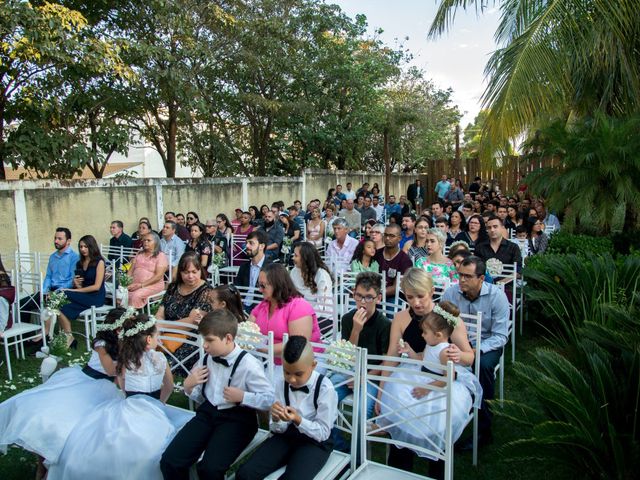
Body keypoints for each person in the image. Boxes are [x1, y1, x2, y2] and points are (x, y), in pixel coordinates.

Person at [48, 313, 192, 480]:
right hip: (154, 408)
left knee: (110, 440)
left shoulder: (125, 360)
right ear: (148, 340)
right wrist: (160, 404)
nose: (158, 338)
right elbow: (169, 386)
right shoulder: (161, 359)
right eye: (156, 335)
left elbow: (123, 389)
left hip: (130, 407)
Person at [0, 308, 124, 475]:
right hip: (90, 381)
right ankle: (43, 461)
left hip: (106, 385)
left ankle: (51, 465)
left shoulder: (123, 341)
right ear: (118, 328)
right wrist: (130, 357)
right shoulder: (101, 344)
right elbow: (111, 371)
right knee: (58, 416)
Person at [375, 268, 476, 471]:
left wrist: (459, 356)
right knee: (400, 413)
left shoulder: (446, 317)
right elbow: (391, 356)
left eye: (420, 296)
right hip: (412, 371)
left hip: (442, 376)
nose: (416, 303)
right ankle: (399, 472)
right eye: (410, 297)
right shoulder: (401, 318)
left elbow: (469, 356)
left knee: (437, 423)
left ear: (431, 291)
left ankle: (437, 469)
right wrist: (381, 390)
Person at [160, 310, 274, 480]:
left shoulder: (249, 365)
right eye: (203, 339)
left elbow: (269, 399)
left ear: (228, 338)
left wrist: (243, 397)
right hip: (208, 413)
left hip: (238, 419)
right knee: (170, 460)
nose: (204, 345)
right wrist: (189, 386)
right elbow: (202, 396)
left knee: (209, 469)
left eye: (209, 340)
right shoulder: (206, 358)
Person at [235, 336, 338, 480]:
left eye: (298, 374)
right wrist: (277, 419)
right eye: (287, 372)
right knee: (246, 473)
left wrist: (298, 420)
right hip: (286, 436)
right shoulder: (281, 383)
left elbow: (323, 432)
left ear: (313, 365)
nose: (292, 379)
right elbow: (277, 429)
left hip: (315, 442)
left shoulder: (325, 388)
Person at [441, 256, 510, 449]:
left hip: (487, 344)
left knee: (483, 366)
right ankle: (446, 415)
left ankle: (483, 427)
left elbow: (500, 335)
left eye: (467, 276)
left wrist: (474, 350)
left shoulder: (497, 297)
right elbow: (440, 323)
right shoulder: (450, 293)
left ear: (481, 278)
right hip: (456, 340)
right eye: (460, 275)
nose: (461, 280)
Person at [331, 272, 389, 450]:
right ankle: (339, 447)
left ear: (378, 298)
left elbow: (386, 362)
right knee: (324, 396)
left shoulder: (384, 324)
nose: (363, 302)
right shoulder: (348, 319)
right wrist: (356, 330)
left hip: (372, 376)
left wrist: (363, 377)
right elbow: (347, 355)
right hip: (348, 371)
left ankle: (357, 455)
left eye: (368, 297)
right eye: (359, 296)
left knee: (360, 412)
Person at [248, 263, 321, 364]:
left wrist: (262, 348)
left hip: (300, 365)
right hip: (268, 360)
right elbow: (247, 329)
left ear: (277, 284)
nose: (260, 289)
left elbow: (298, 345)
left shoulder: (299, 307)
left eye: (263, 286)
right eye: (258, 285)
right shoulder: (264, 305)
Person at [155, 252, 215, 373]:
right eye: (186, 272)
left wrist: (162, 326)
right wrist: (158, 330)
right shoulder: (173, 287)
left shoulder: (206, 291)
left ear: (200, 271)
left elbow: (191, 322)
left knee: (166, 365)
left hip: (191, 337)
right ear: (180, 272)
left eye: (194, 272)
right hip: (165, 332)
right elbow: (160, 312)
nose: (190, 276)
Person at [21, 227, 79, 323]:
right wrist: (44, 291)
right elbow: (48, 276)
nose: (56, 241)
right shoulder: (53, 257)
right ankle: (29, 336)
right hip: (49, 292)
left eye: (60, 239)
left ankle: (44, 334)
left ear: (68, 241)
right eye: (55, 238)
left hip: (64, 292)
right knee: (23, 304)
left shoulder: (74, 257)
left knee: (40, 306)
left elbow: (72, 280)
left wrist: (56, 292)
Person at [57, 235, 106, 348]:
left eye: (86, 246)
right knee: (59, 308)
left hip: (95, 297)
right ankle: (69, 338)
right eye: (81, 247)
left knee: (62, 293)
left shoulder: (99, 262)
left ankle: (46, 331)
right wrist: (77, 284)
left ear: (91, 247)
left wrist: (71, 290)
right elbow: (81, 287)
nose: (83, 249)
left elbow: (96, 287)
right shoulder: (80, 263)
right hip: (84, 295)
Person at [127, 232, 168, 309]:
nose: (145, 242)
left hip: (153, 285)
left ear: (156, 242)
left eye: (149, 240)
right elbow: (131, 270)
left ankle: (133, 316)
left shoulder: (161, 256)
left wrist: (141, 285)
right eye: (144, 240)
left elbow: (158, 276)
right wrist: (125, 283)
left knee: (136, 295)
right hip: (135, 284)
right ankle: (121, 316)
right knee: (122, 293)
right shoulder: (139, 253)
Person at [234, 230, 272, 311]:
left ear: (261, 246)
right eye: (246, 243)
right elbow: (237, 288)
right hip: (242, 305)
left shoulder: (271, 268)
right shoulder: (244, 267)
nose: (247, 246)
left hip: (262, 307)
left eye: (251, 243)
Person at [374, 224, 413, 300]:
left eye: (392, 236)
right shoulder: (376, 254)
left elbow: (397, 287)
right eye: (385, 235)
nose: (388, 238)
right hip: (373, 294)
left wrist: (376, 294)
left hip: (394, 297)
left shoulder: (405, 260)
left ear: (399, 238)